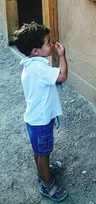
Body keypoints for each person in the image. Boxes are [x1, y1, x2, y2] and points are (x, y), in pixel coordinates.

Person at [14, 22, 68, 202]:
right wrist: (62, 56)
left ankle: (43, 172)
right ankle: (47, 185)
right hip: (41, 121)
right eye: (47, 42)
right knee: (43, 153)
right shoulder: (39, 68)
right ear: (36, 51)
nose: (51, 44)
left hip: (33, 119)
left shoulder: (30, 65)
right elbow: (62, 76)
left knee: (39, 151)